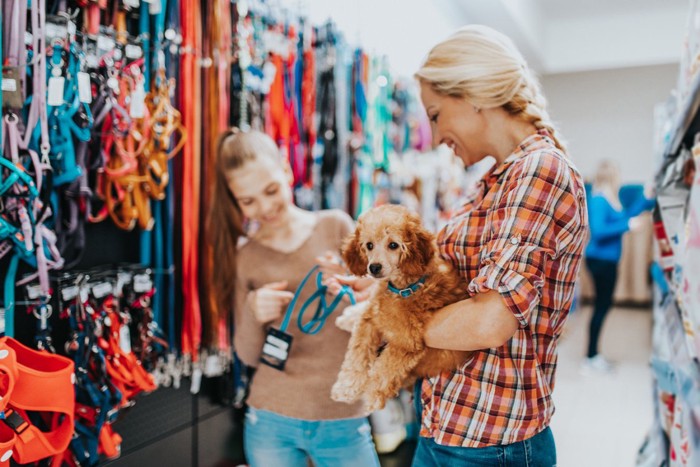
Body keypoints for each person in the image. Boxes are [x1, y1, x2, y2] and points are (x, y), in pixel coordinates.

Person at [331, 25, 588, 466]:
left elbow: (489, 321)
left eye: (434, 115)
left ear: (473, 95)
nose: (433, 138)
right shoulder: (490, 180)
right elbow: (447, 284)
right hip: (449, 424)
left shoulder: (539, 171)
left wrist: (390, 317)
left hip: (491, 441)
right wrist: (387, 289)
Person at [209, 128, 380, 467]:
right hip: (270, 418)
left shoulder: (336, 227)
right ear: (234, 199)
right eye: (248, 201)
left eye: (271, 190)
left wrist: (355, 296)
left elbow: (377, 316)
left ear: (287, 171)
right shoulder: (246, 257)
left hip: (342, 414)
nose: (265, 207)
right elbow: (249, 355)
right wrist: (253, 311)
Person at [583, 160, 655, 373]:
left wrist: (646, 198)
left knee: (602, 306)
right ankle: (590, 358)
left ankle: (593, 355)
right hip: (600, 260)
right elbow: (599, 230)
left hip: (607, 261)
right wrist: (627, 226)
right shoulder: (598, 199)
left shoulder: (610, 200)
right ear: (612, 177)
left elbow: (626, 216)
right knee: (601, 307)